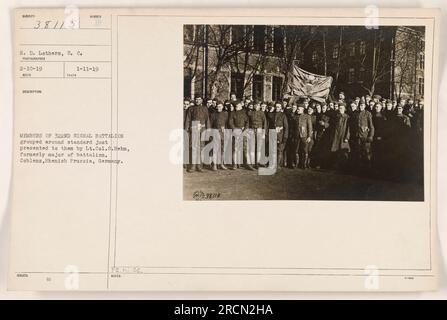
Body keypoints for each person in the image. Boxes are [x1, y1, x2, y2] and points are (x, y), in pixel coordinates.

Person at [185, 96, 210, 172]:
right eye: (196, 99)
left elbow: (207, 120)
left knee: (201, 148)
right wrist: (187, 129)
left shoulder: (205, 108)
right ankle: (193, 166)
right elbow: (188, 119)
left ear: (202, 100)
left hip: (202, 129)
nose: (197, 101)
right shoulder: (191, 109)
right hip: (194, 129)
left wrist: (208, 131)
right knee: (194, 147)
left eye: (199, 99)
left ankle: (199, 166)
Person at [350, 101, 375, 171]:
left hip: (365, 136)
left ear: (364, 106)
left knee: (366, 153)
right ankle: (360, 169)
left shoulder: (367, 114)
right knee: (358, 152)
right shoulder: (356, 113)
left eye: (362, 105)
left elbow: (371, 126)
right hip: (357, 136)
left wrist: (371, 136)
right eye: (360, 105)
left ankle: (368, 169)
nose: (361, 106)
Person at [288, 103, 313, 169]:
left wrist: (309, 136)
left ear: (303, 109)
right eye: (297, 109)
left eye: (299, 109)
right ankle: (296, 164)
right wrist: (293, 135)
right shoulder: (295, 117)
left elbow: (310, 127)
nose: (297, 110)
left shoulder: (307, 116)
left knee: (304, 150)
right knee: (296, 150)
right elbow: (293, 127)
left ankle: (303, 164)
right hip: (296, 136)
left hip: (304, 136)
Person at [228, 100, 250, 170]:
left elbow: (247, 122)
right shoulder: (232, 113)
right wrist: (234, 129)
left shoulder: (244, 113)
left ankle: (246, 164)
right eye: (236, 106)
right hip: (236, 131)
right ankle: (235, 164)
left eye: (238, 106)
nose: (237, 107)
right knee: (235, 148)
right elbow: (230, 122)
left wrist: (245, 129)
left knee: (245, 148)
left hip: (243, 131)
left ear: (241, 106)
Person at [328, 103, 350, 170]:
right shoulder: (336, 116)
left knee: (343, 151)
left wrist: (347, 137)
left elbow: (348, 128)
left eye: (341, 108)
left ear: (344, 109)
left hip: (343, 136)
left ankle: (343, 167)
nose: (340, 109)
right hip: (336, 136)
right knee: (335, 150)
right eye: (339, 108)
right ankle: (335, 166)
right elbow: (333, 127)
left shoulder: (347, 117)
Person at [210, 101, 229, 170]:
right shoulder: (213, 114)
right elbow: (210, 125)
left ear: (223, 107)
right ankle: (214, 164)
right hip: (215, 132)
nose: (219, 108)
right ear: (216, 107)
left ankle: (221, 163)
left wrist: (225, 129)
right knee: (215, 148)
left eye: (220, 106)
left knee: (222, 149)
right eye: (218, 106)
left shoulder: (225, 114)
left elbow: (227, 123)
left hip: (223, 133)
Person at [248, 101, 267, 168]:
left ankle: (258, 162)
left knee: (259, 147)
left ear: (259, 106)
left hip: (259, 130)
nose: (256, 107)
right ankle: (252, 162)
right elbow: (248, 122)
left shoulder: (262, 113)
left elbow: (265, 123)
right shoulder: (250, 113)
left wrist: (264, 133)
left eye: (258, 105)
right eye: (255, 105)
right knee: (252, 147)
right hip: (252, 130)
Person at [270, 102, 288, 169]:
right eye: (276, 106)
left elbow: (286, 127)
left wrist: (285, 137)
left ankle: (278, 165)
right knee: (272, 150)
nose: (277, 108)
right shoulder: (272, 115)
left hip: (281, 136)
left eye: (278, 107)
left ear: (281, 108)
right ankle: (273, 164)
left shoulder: (283, 115)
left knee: (279, 150)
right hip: (273, 135)